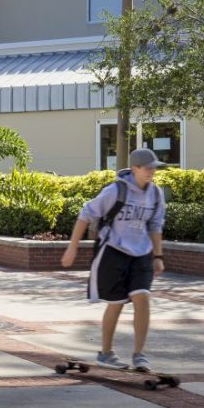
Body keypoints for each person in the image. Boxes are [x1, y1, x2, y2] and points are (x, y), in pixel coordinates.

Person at [61, 148, 167, 370]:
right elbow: (85, 215)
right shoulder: (115, 191)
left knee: (142, 298)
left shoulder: (155, 194)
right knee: (116, 304)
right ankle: (106, 353)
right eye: (148, 168)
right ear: (135, 168)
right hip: (113, 251)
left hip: (141, 254)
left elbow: (155, 226)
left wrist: (158, 255)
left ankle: (139, 355)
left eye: (154, 169)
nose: (152, 172)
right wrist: (72, 249)